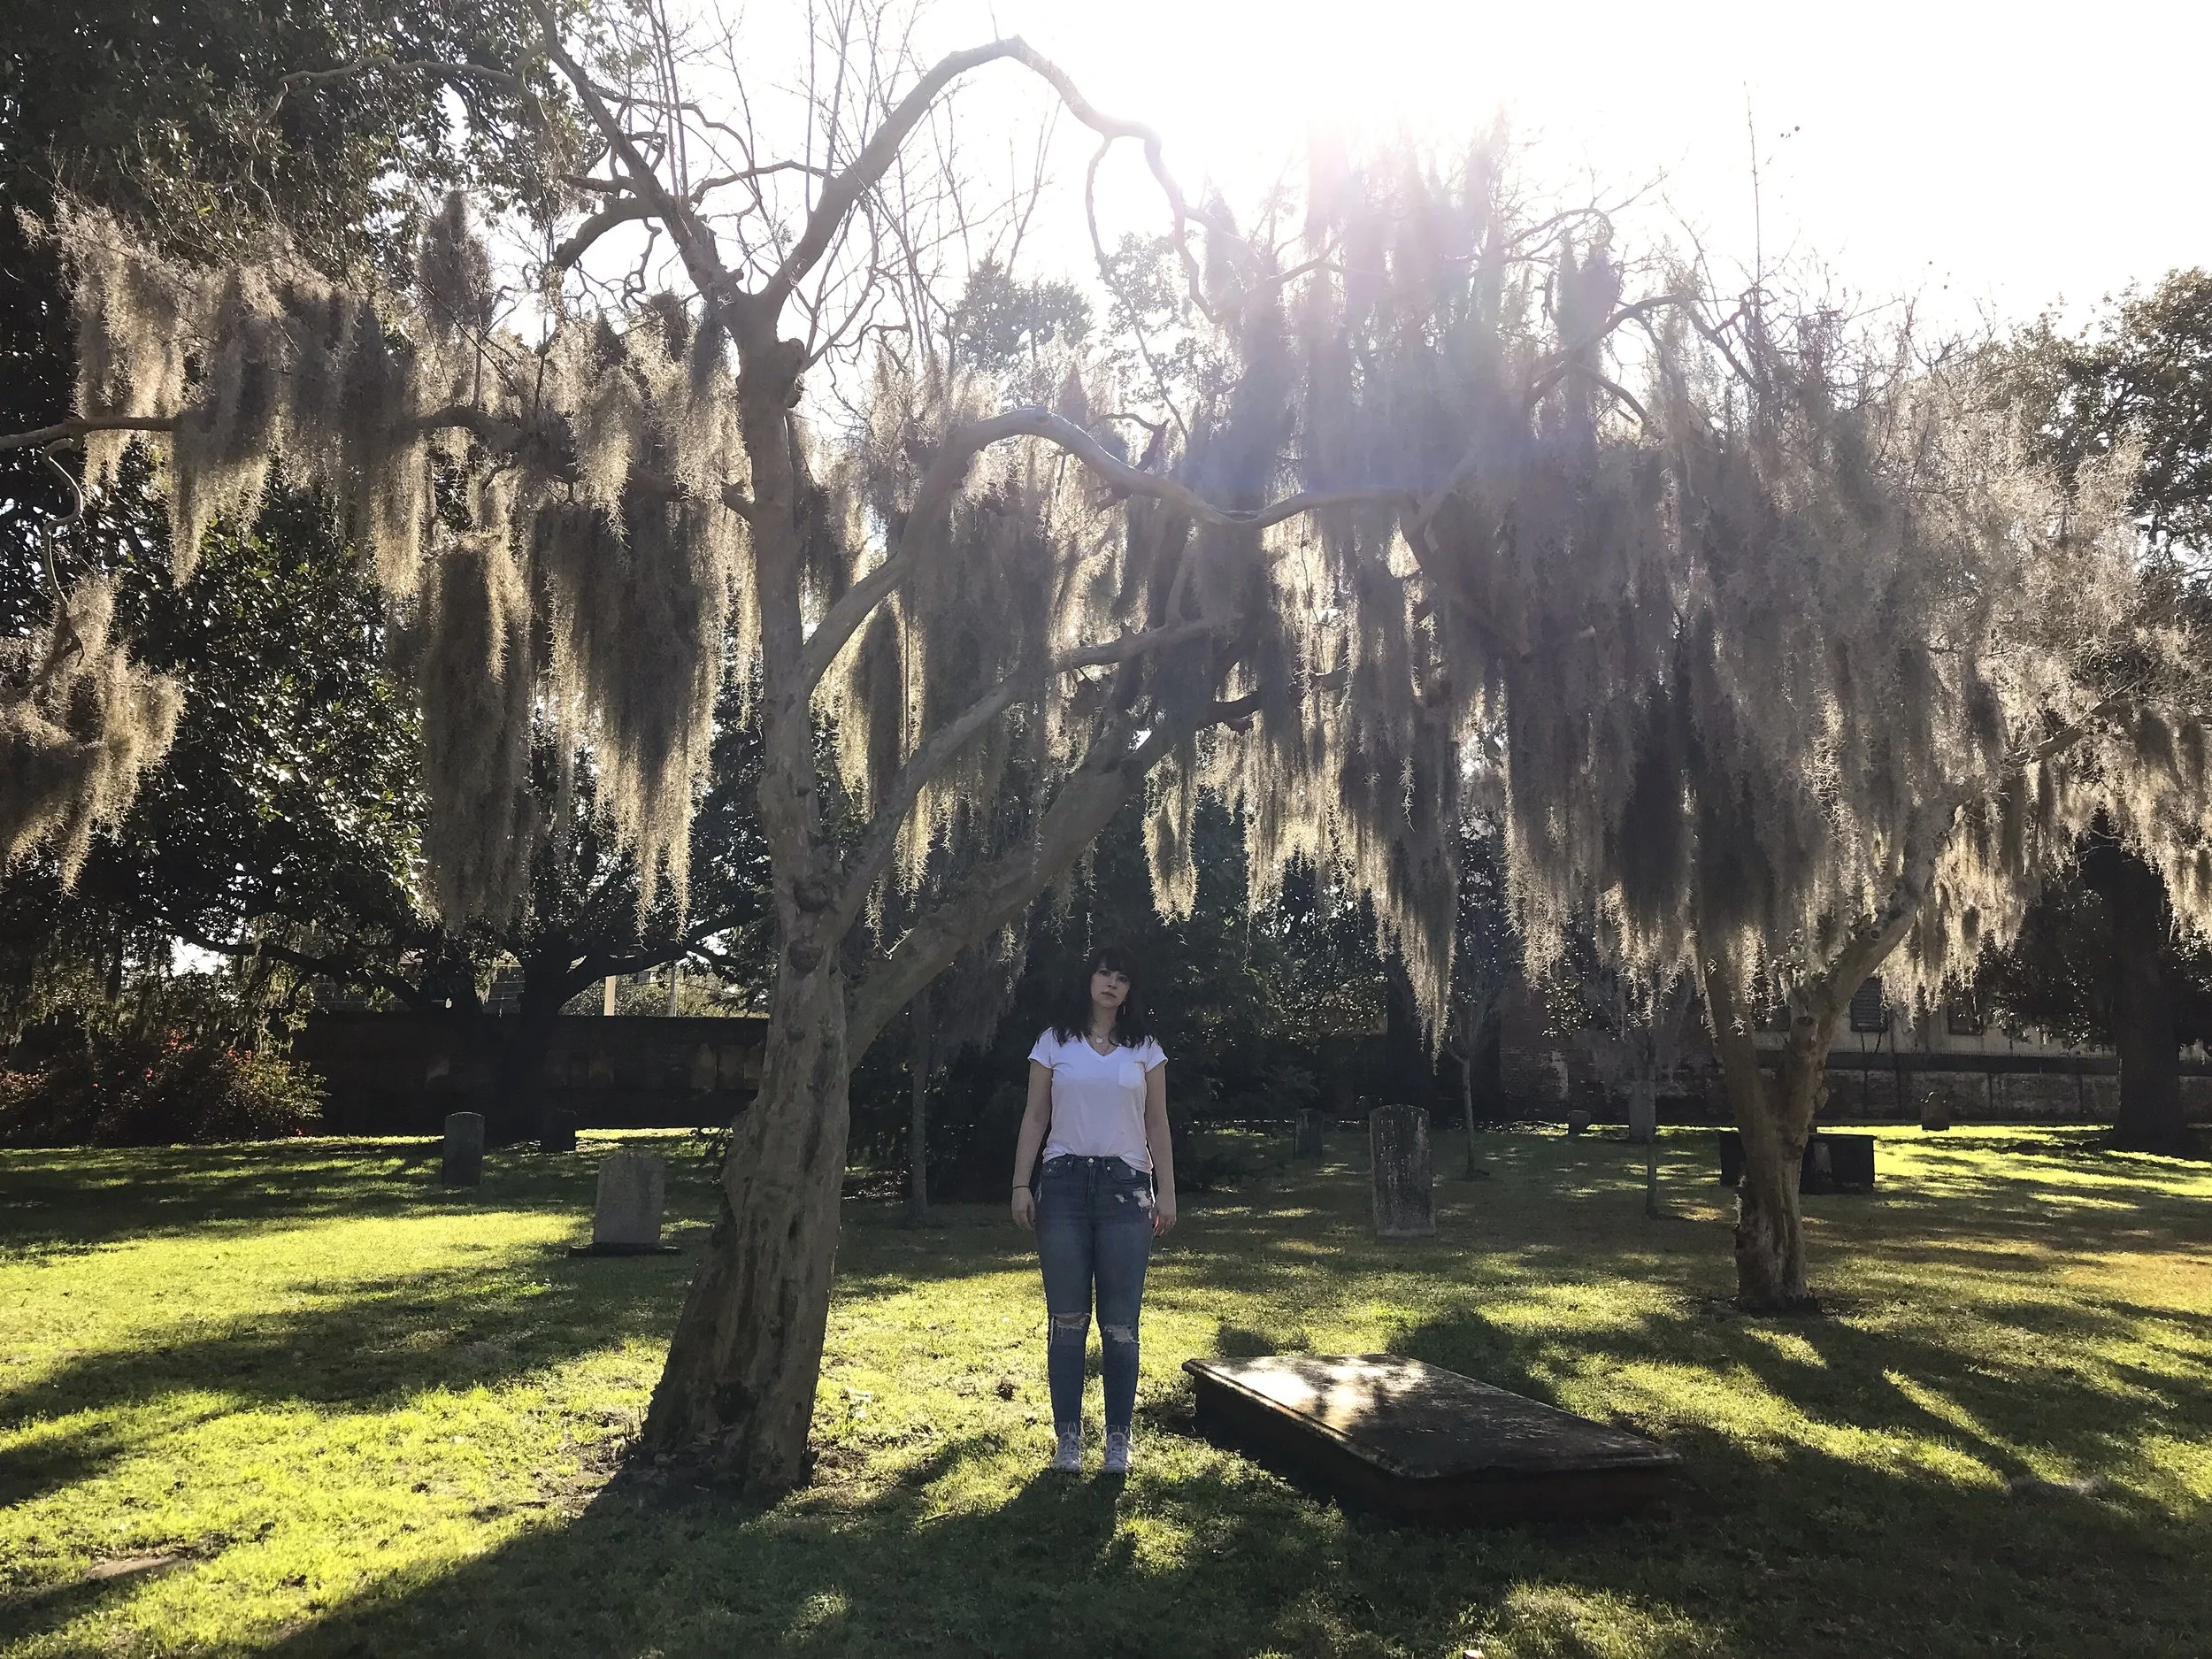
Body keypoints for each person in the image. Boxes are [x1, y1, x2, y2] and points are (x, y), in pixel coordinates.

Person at [1010, 946, 1177, 1475]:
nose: (1111, 984)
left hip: (1127, 1191)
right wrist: (1021, 1183)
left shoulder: (1145, 1050)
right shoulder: (1052, 1042)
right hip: (1062, 1187)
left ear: (1130, 992)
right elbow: (1035, 1117)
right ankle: (1068, 1442)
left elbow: (1157, 1124)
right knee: (1066, 1320)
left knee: (1121, 1324)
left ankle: (1118, 1443)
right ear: (1087, 978)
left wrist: (1167, 1192)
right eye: (1104, 973)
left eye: (1122, 978)